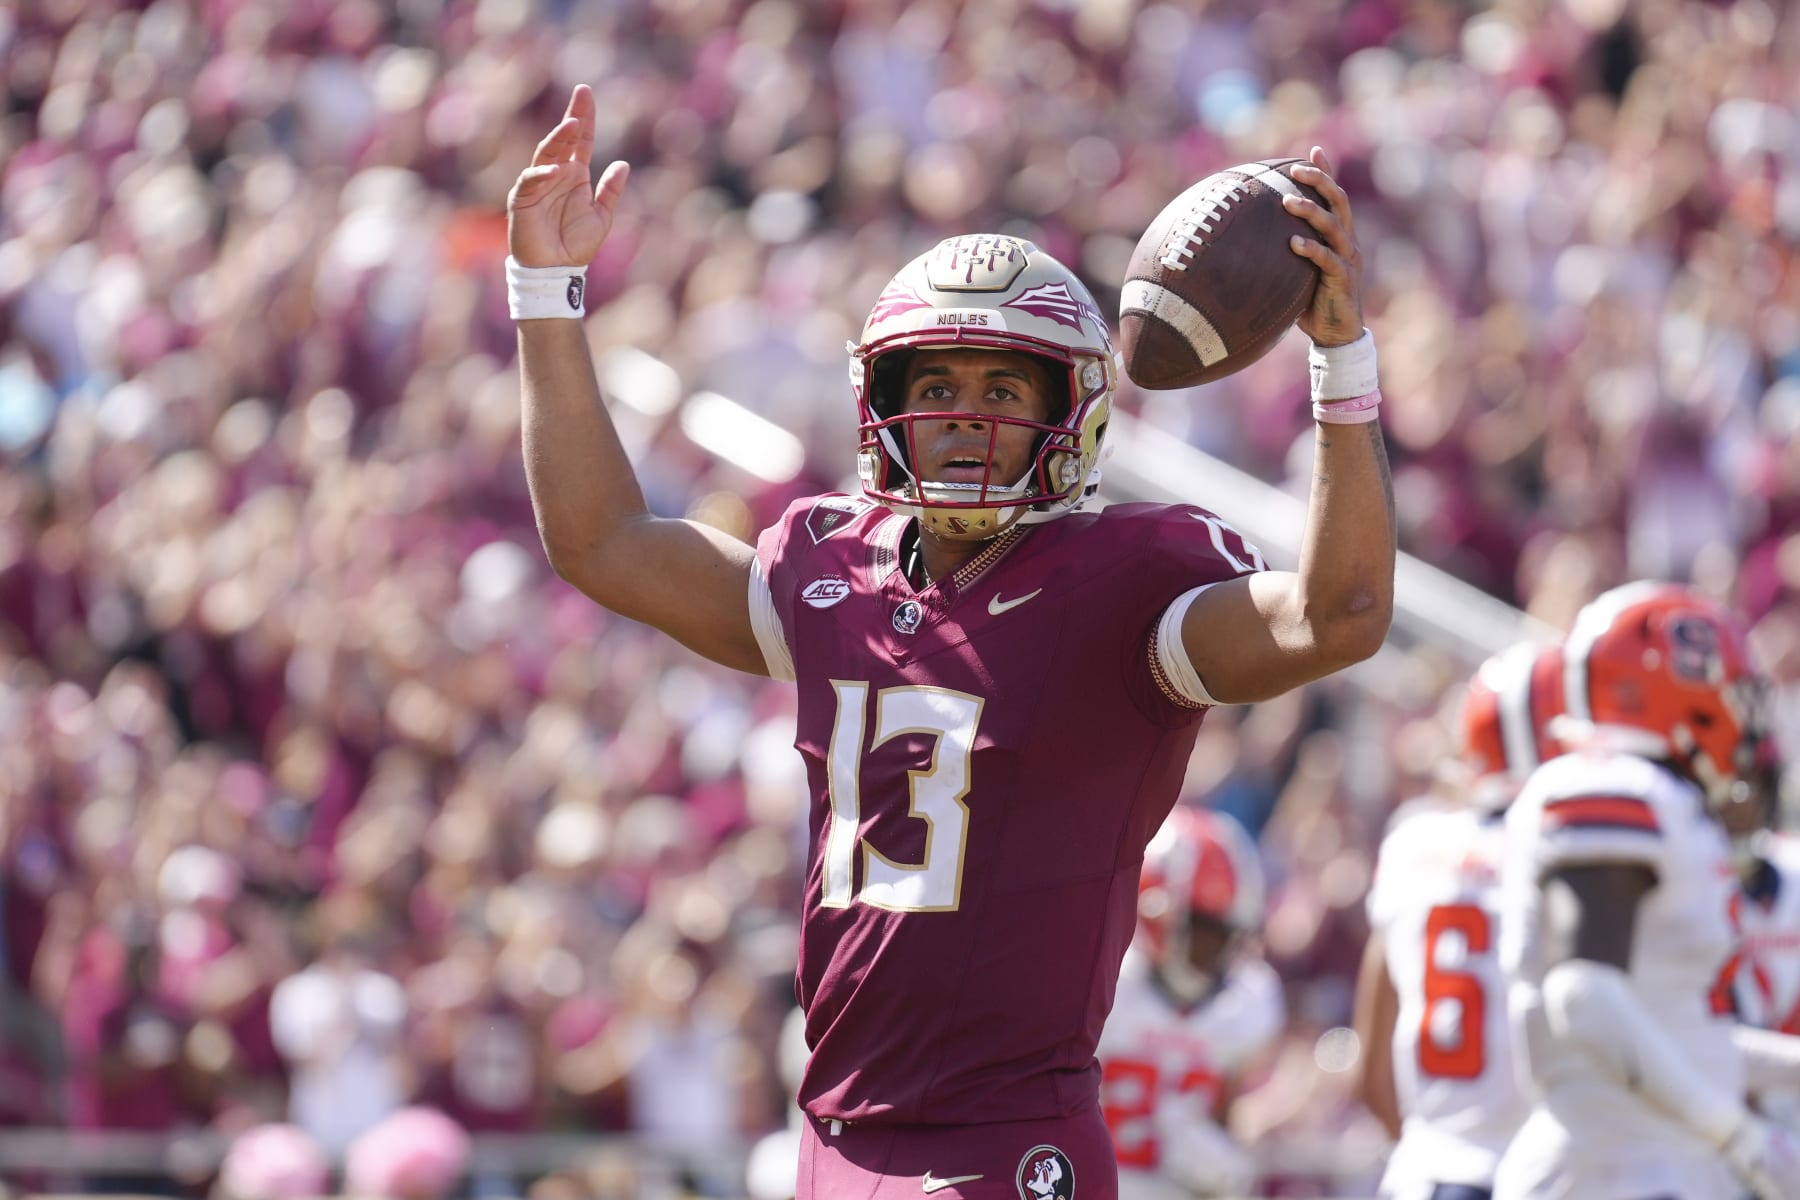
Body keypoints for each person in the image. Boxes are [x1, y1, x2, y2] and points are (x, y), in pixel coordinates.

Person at [507, 83, 1395, 1198]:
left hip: (1006, 1141)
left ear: (1070, 408)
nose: (966, 412)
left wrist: (1341, 363)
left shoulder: (1124, 583)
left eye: (1001, 385)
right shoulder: (835, 566)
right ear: (884, 401)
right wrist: (545, 291)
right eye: (936, 383)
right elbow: (603, 542)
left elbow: (1339, 614)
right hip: (834, 1134)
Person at [1493, 582, 1800, 1200]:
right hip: (1613, 1173)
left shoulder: (1666, 804)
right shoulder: (1613, 783)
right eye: (1733, 692)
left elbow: (1686, 1038)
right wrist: (1738, 1135)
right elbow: (1582, 996)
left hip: (1647, 1167)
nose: (1746, 717)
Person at [1353, 641, 1562, 1200]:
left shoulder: (1413, 845)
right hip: (1543, 1176)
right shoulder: (1576, 861)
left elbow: (1372, 1070)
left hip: (1425, 1171)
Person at [1096, 807, 1282, 1199]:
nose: (1217, 954)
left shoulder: (1247, 1001)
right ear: (1157, 912)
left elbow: (1238, 1112)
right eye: (1207, 933)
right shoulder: (1103, 983)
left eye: (1227, 937)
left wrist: (1229, 1153)